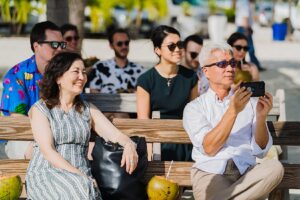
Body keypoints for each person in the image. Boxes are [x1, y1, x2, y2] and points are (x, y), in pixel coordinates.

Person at [25, 52, 138, 199]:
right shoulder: (41, 109)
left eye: (84, 72)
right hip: (47, 172)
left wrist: (129, 144)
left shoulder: (87, 109)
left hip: (82, 175)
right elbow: (48, 151)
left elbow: (115, 135)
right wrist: (80, 176)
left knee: (83, 190)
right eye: (76, 71)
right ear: (58, 77)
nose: (82, 77)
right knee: (81, 190)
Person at [183, 43, 284, 200]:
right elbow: (209, 148)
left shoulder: (250, 103)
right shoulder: (194, 108)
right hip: (211, 171)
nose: (230, 68)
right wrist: (233, 111)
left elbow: (261, 150)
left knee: (275, 168)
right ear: (206, 72)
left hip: (246, 172)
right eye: (222, 64)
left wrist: (262, 117)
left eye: (232, 63)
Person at [0, 21, 66, 159]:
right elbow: (18, 120)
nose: (60, 49)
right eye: (54, 44)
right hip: (22, 137)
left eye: (62, 44)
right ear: (36, 46)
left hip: (61, 136)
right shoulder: (17, 74)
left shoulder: (67, 73)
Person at [137, 25, 198, 161]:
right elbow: (144, 123)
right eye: (171, 46)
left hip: (184, 138)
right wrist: (149, 153)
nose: (177, 49)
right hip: (157, 139)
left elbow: (194, 115)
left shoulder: (191, 77)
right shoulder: (146, 80)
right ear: (158, 50)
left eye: (180, 45)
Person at [88, 28, 144, 94]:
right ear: (111, 46)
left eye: (126, 43)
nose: (124, 46)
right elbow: (93, 93)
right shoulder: (100, 67)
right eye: (119, 44)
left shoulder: (139, 69)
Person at [235, 0, 266, 71]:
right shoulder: (245, 3)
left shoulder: (241, 2)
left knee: (241, 48)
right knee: (249, 48)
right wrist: (247, 29)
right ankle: (255, 65)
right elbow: (245, 18)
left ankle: (241, 65)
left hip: (241, 27)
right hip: (244, 28)